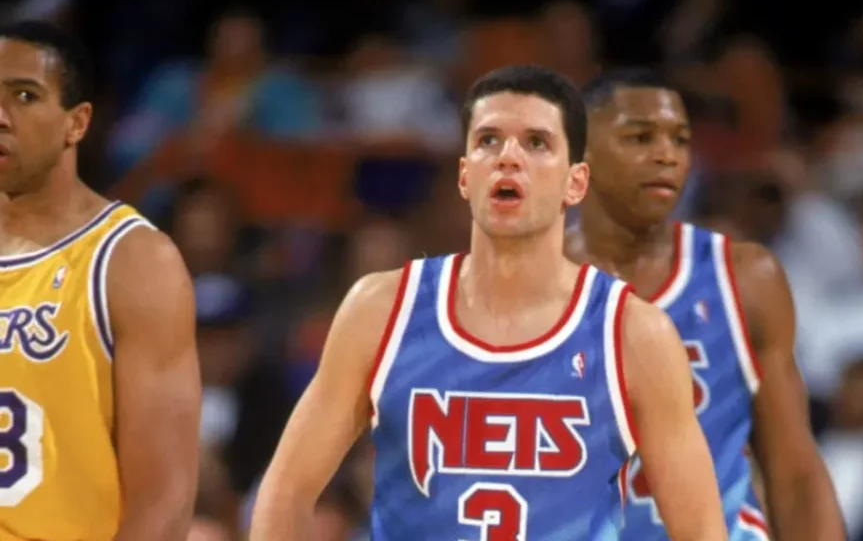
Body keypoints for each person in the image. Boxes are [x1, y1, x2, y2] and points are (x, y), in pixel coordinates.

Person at [251, 65, 727, 541]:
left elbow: (703, 531)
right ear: (464, 175)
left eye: (536, 143)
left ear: (576, 182)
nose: (508, 158)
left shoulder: (633, 334)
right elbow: (287, 490)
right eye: (488, 140)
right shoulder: (381, 311)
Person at [568, 68, 845, 540]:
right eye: (641, 137)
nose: (667, 155)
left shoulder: (743, 278)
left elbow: (795, 472)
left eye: (680, 140)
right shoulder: (523, 284)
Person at [0, 21, 201, 540]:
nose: (0, 115)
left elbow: (165, 499)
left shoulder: (132, 260)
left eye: (24, 96)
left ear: (77, 123)